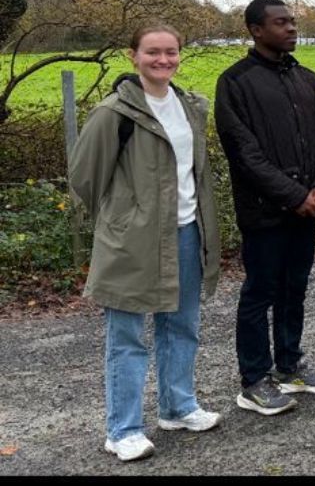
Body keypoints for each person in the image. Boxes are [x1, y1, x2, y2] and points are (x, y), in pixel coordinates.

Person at [69, 24, 222, 462]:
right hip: (132, 242)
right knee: (127, 337)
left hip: (187, 232)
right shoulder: (113, 113)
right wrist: (125, 217)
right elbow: (84, 178)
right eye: (153, 52)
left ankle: (178, 407)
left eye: (171, 52)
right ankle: (123, 429)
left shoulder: (190, 106)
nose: (163, 60)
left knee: (182, 325)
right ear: (132, 55)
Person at [215, 0, 315, 415]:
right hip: (265, 211)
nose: (291, 29)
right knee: (260, 292)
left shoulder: (307, 79)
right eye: (280, 23)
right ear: (256, 30)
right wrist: (294, 195)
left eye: (292, 22)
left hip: (308, 209)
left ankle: (290, 365)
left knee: (295, 288)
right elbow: (243, 152)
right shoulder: (235, 83)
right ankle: (254, 379)